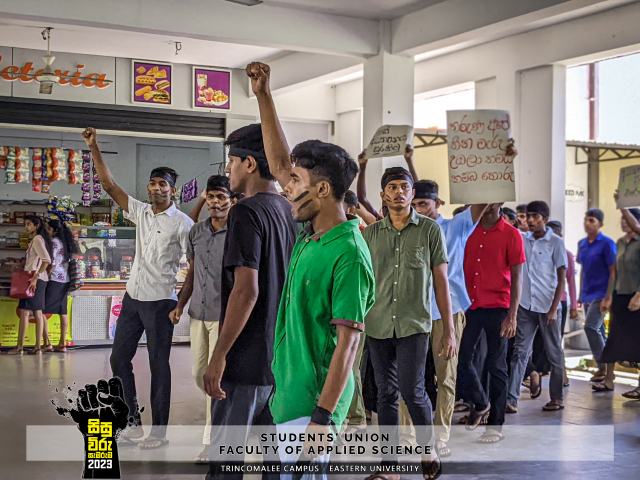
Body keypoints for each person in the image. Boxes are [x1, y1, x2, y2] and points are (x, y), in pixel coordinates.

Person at [247, 61, 376, 480]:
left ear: (321, 189)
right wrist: (264, 95)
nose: (286, 188)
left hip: (312, 407)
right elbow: (280, 163)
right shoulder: (312, 235)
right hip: (288, 395)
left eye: (295, 181)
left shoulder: (349, 254)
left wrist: (321, 419)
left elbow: (348, 346)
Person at [82, 127, 194, 450]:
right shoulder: (141, 212)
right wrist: (94, 146)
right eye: (153, 183)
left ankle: (159, 432)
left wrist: (181, 304)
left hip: (161, 303)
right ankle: (132, 424)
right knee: (119, 359)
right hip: (132, 298)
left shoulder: (183, 224)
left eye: (163, 184)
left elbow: (194, 266)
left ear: (173, 190)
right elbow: (109, 185)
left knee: (159, 367)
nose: (156, 188)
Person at [202, 122, 297, 480]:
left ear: (250, 164)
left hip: (245, 360)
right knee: (275, 462)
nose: (228, 170)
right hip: (278, 358)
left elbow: (246, 290)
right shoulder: (288, 210)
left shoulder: (245, 212)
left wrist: (219, 355)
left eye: (232, 162)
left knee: (226, 461)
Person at [364, 164, 456, 479]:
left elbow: (441, 282)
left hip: (414, 325)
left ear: (412, 193)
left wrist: (449, 331)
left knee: (412, 390)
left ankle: (427, 449)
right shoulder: (371, 234)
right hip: (377, 324)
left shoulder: (430, 230)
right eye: (392, 187)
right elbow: (363, 282)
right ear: (383, 195)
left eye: (404, 187)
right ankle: (389, 467)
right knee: (385, 394)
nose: (399, 192)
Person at [408, 176, 491, 457]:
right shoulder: (408, 229)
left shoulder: (456, 226)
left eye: (423, 204)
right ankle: (409, 436)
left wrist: (496, 166)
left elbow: (483, 200)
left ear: (438, 203)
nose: (417, 209)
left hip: (448, 313)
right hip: (414, 313)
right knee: (412, 377)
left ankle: (441, 436)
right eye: (414, 204)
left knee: (445, 377)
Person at [167, 175, 232, 464]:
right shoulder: (197, 231)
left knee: (213, 378)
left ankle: (211, 443)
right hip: (198, 313)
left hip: (223, 315)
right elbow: (192, 272)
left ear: (231, 200)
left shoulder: (239, 232)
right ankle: (233, 410)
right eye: (211, 197)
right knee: (198, 373)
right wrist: (180, 304)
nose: (215, 202)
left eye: (221, 197)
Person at [458, 203, 524, 443]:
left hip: (499, 307)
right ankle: (480, 402)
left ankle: (495, 426)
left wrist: (512, 315)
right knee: (460, 359)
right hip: (468, 306)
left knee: (496, 365)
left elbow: (517, 277)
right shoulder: (466, 230)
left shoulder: (512, 234)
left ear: (500, 202)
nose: (485, 202)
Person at [507, 201, 567, 412]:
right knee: (520, 352)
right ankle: (511, 399)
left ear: (545, 219)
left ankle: (556, 398)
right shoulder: (523, 239)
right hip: (526, 306)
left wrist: (553, 308)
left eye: (535, 216)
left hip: (548, 307)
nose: (530, 220)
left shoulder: (556, 243)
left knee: (554, 353)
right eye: (528, 216)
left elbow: (561, 279)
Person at [593, 198, 640, 398]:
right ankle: (609, 379)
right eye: (622, 218)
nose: (623, 222)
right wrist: (608, 296)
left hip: (636, 298)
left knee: (637, 341)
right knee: (613, 338)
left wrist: (638, 295)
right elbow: (615, 273)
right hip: (620, 296)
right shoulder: (620, 243)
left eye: (627, 219)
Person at [577, 208, 617, 384]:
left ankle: (603, 366)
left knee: (591, 327)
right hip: (588, 293)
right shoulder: (582, 244)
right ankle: (608, 369)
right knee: (598, 329)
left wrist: (609, 296)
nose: (587, 223)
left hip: (602, 293)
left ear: (600, 223)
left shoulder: (607, 243)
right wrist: (580, 293)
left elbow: (614, 271)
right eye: (586, 220)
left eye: (591, 220)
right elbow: (583, 270)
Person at [6, 216, 52, 355]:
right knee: (37, 312)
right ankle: (37, 348)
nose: (26, 227)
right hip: (39, 279)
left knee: (25, 312)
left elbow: (46, 260)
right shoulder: (39, 240)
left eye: (29, 224)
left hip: (34, 279)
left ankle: (20, 348)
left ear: (37, 226)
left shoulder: (37, 239)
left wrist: (35, 277)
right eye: (25, 224)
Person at [43, 218, 78, 353]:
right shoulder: (66, 242)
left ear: (54, 230)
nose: (47, 231)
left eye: (48, 228)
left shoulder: (53, 242)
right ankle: (62, 344)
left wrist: (44, 275)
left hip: (55, 279)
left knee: (41, 311)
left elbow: (51, 263)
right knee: (62, 311)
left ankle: (47, 343)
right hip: (65, 279)